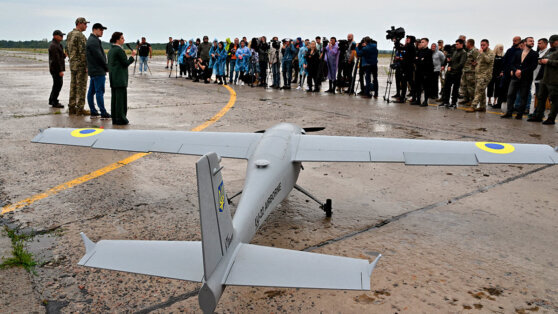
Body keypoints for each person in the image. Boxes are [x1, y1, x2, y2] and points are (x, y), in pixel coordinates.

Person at [501, 37, 539, 119]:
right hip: (515, 77)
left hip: (526, 78)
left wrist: (521, 72)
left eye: (533, 41)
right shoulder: (518, 53)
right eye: (530, 41)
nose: (532, 42)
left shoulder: (534, 54)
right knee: (510, 94)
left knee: (523, 96)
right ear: (525, 42)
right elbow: (512, 63)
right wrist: (515, 70)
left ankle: (520, 114)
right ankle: (509, 112)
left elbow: (533, 66)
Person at [528, 34, 558, 124]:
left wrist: (548, 61)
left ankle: (551, 118)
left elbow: (550, 61)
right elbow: (544, 58)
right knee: (540, 97)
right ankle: (538, 116)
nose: (551, 44)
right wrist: (541, 61)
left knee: (554, 100)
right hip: (544, 78)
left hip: (554, 80)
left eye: (552, 42)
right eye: (550, 42)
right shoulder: (549, 50)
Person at [107, 32, 135, 125]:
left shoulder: (111, 50)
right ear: (117, 40)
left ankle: (115, 117)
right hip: (120, 78)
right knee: (120, 100)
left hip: (113, 78)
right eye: (122, 38)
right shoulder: (119, 50)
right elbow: (125, 63)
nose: (124, 40)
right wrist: (132, 56)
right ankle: (121, 118)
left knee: (114, 99)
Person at [85, 23, 110, 119]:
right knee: (99, 92)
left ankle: (93, 111)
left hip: (94, 70)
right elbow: (99, 56)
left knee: (92, 91)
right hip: (98, 70)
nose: (102, 31)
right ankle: (103, 112)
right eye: (100, 30)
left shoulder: (93, 40)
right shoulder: (93, 41)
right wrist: (106, 67)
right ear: (94, 29)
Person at [66, 17, 89, 115]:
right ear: (79, 23)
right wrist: (87, 65)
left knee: (73, 86)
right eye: (84, 24)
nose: (86, 26)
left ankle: (71, 107)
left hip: (73, 64)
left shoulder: (69, 34)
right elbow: (83, 51)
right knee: (81, 87)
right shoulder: (80, 36)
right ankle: (80, 109)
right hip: (80, 65)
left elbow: (67, 49)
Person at [466, 39, 494, 112]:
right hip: (478, 75)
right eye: (481, 45)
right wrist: (475, 63)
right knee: (481, 91)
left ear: (488, 45)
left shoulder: (491, 53)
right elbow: (479, 61)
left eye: (484, 45)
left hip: (485, 76)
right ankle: (482, 106)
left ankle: (473, 106)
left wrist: (482, 54)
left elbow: (488, 60)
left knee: (478, 91)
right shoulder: (481, 53)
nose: (482, 46)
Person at [494, 36, 522, 108]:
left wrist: (514, 70)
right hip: (506, 73)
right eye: (513, 40)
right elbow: (504, 60)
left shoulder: (520, 51)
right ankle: (499, 103)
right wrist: (502, 71)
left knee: (512, 91)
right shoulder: (510, 50)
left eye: (515, 41)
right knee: (502, 88)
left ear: (519, 41)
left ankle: (511, 106)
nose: (514, 42)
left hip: (514, 73)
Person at [440, 39, 467, 108]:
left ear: (461, 44)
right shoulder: (454, 51)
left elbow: (461, 64)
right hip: (449, 73)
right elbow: (449, 59)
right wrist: (446, 63)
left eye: (457, 44)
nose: (456, 45)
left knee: (455, 89)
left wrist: (452, 68)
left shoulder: (463, 53)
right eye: (456, 44)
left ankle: (454, 103)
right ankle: (445, 102)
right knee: (446, 87)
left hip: (456, 73)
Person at [394, 35, 416, 103]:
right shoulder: (409, 46)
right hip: (406, 67)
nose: (407, 39)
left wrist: (397, 41)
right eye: (407, 38)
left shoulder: (410, 46)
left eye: (408, 39)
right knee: (405, 82)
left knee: (408, 82)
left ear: (411, 40)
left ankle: (405, 97)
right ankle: (403, 97)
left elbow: (400, 48)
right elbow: (403, 52)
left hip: (408, 67)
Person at [412, 38, 434, 106]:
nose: (421, 43)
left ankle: (425, 101)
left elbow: (428, 62)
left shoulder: (429, 51)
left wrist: (420, 60)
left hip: (426, 72)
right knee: (417, 87)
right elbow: (415, 60)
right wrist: (420, 60)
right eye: (421, 42)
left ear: (427, 43)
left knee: (426, 87)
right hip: (418, 71)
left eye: (423, 42)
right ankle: (418, 100)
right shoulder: (419, 51)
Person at [48, 30, 65, 108]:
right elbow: (56, 60)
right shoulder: (54, 45)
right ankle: (54, 101)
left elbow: (60, 56)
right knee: (58, 85)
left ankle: (52, 100)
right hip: (56, 69)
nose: (62, 37)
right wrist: (60, 70)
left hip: (55, 69)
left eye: (62, 35)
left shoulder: (58, 45)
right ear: (55, 36)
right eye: (60, 35)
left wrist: (65, 55)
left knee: (56, 85)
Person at [459, 39, 479, 106]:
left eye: (466, 43)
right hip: (465, 71)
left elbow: (478, 59)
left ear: (470, 43)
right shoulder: (468, 51)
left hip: (471, 72)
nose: (465, 44)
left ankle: (472, 100)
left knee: (471, 87)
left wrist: (475, 63)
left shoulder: (475, 50)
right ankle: (466, 99)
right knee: (464, 86)